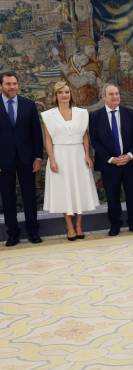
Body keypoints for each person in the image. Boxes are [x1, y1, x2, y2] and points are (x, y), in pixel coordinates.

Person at [41, 81, 100, 240]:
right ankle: (69, 227)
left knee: (79, 190)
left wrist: (87, 155)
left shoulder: (82, 113)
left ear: (71, 94)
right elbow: (48, 140)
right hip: (59, 155)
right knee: (64, 192)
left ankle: (79, 225)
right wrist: (51, 159)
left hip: (78, 155)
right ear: (55, 96)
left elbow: (85, 136)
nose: (64, 95)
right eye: (60, 92)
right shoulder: (48, 115)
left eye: (67, 92)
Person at [89, 83, 133, 236]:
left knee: (132, 194)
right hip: (109, 164)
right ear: (103, 97)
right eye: (111, 94)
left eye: (117, 94)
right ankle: (115, 225)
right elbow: (95, 141)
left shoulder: (129, 113)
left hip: (129, 162)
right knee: (112, 196)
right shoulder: (95, 116)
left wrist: (130, 155)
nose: (115, 97)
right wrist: (111, 159)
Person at [0, 71, 44, 246]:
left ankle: (33, 232)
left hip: (27, 159)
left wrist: (38, 157)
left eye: (14, 84)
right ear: (1, 86)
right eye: (8, 84)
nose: (12, 87)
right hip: (3, 161)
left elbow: (36, 134)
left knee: (29, 196)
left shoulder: (28, 105)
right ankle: (13, 234)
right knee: (8, 197)